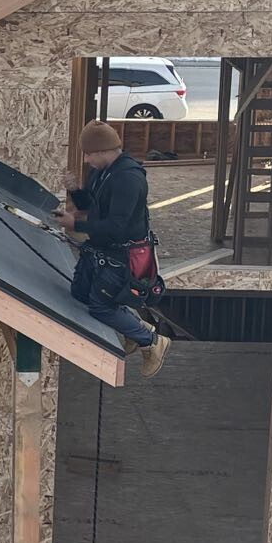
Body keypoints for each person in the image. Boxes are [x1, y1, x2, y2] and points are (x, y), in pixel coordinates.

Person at [60, 120, 169, 377]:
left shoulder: (129, 179)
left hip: (121, 256)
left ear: (102, 151)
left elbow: (116, 226)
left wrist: (75, 224)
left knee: (100, 307)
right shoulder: (102, 172)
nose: (86, 160)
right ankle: (133, 328)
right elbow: (94, 208)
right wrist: (75, 191)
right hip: (102, 249)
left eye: (89, 154)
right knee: (80, 293)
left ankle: (152, 341)